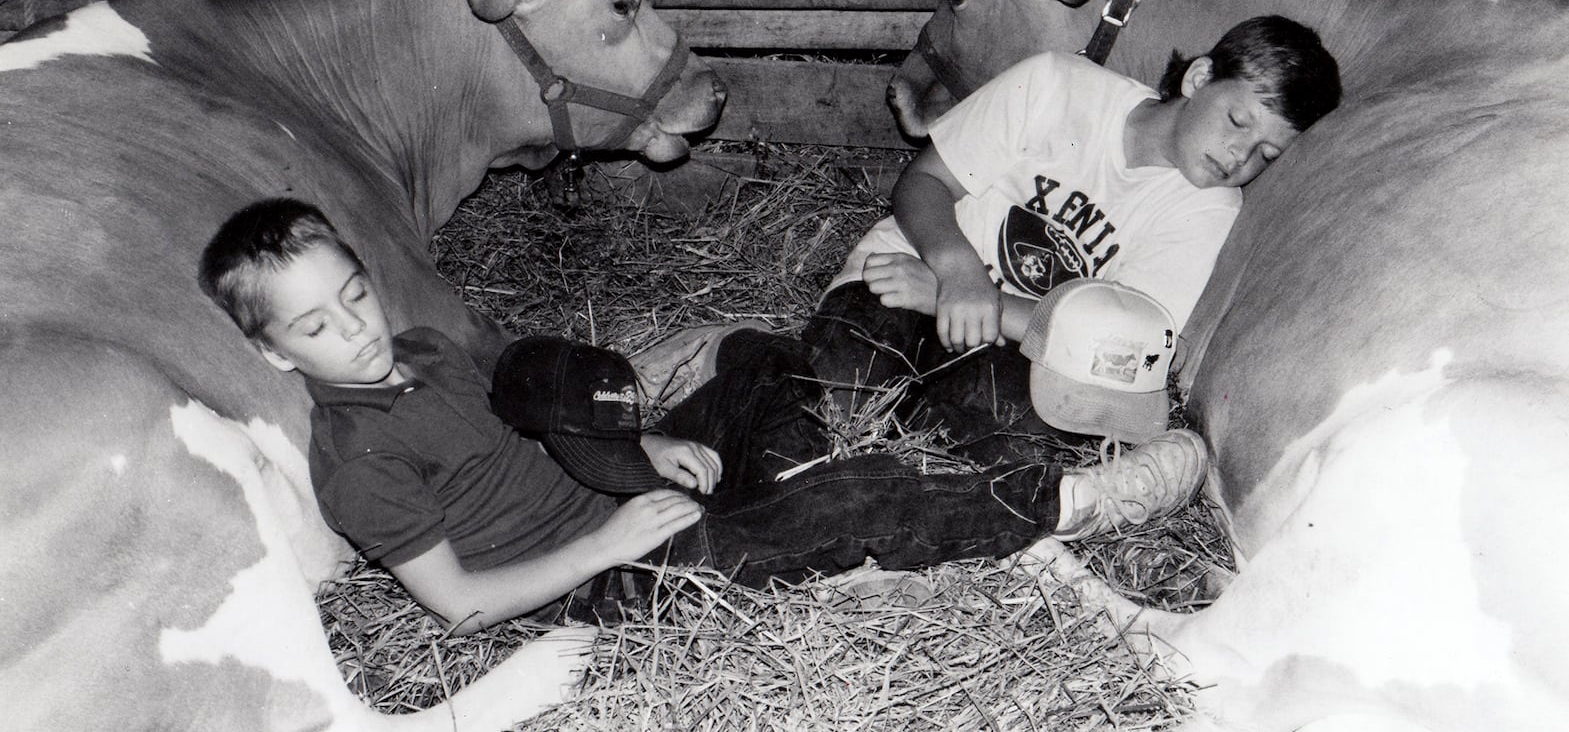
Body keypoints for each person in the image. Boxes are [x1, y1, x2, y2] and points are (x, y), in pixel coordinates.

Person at [196, 197, 1211, 633]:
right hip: (613, 582)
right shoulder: (358, 456)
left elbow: (547, 428)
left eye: (356, 295)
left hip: (626, 488)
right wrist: (609, 545)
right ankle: (1071, 498)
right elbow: (459, 607)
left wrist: (650, 444)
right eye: (318, 327)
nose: (356, 331)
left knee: (764, 362)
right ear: (277, 351)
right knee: (843, 500)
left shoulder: (421, 351)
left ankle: (822, 474)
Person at [800, 15, 1342, 462]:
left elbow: (1120, 350)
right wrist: (955, 272)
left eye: (1266, 155)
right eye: (1236, 121)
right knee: (824, 407)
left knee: (989, 444)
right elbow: (923, 181)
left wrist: (964, 299)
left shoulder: (1208, 210)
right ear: (1199, 79)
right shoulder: (1056, 83)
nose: (1238, 156)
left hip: (1020, 345)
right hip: (908, 269)